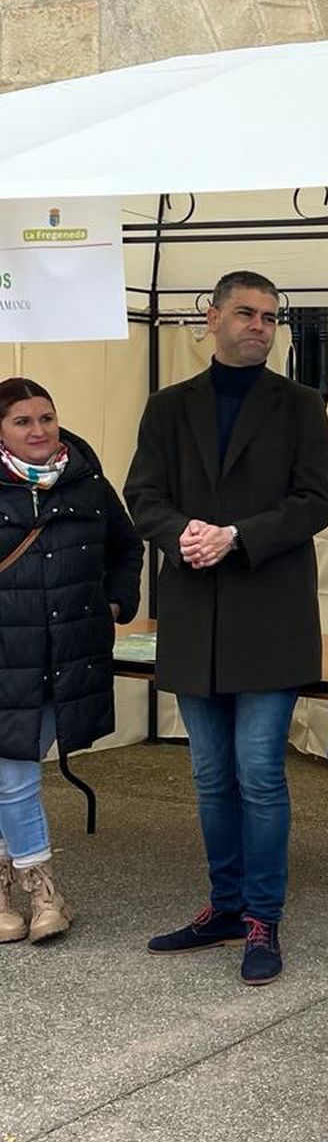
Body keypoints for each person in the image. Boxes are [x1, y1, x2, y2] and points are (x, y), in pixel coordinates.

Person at [126, 272, 328, 985]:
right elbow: (141, 497)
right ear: (210, 317)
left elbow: (315, 502)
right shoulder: (168, 407)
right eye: (246, 313)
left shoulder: (301, 405)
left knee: (259, 774)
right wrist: (186, 531)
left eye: (272, 317)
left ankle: (261, 917)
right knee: (211, 777)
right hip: (193, 617)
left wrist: (236, 536)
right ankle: (222, 904)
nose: (260, 326)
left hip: (269, 614)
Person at [0, 379, 142, 943]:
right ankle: (44, 893)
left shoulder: (87, 480)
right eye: (22, 421)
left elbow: (126, 548)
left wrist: (114, 600)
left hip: (70, 654)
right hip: (8, 657)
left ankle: (5, 893)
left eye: (46, 418)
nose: (38, 431)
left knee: (12, 773)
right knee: (12, 777)